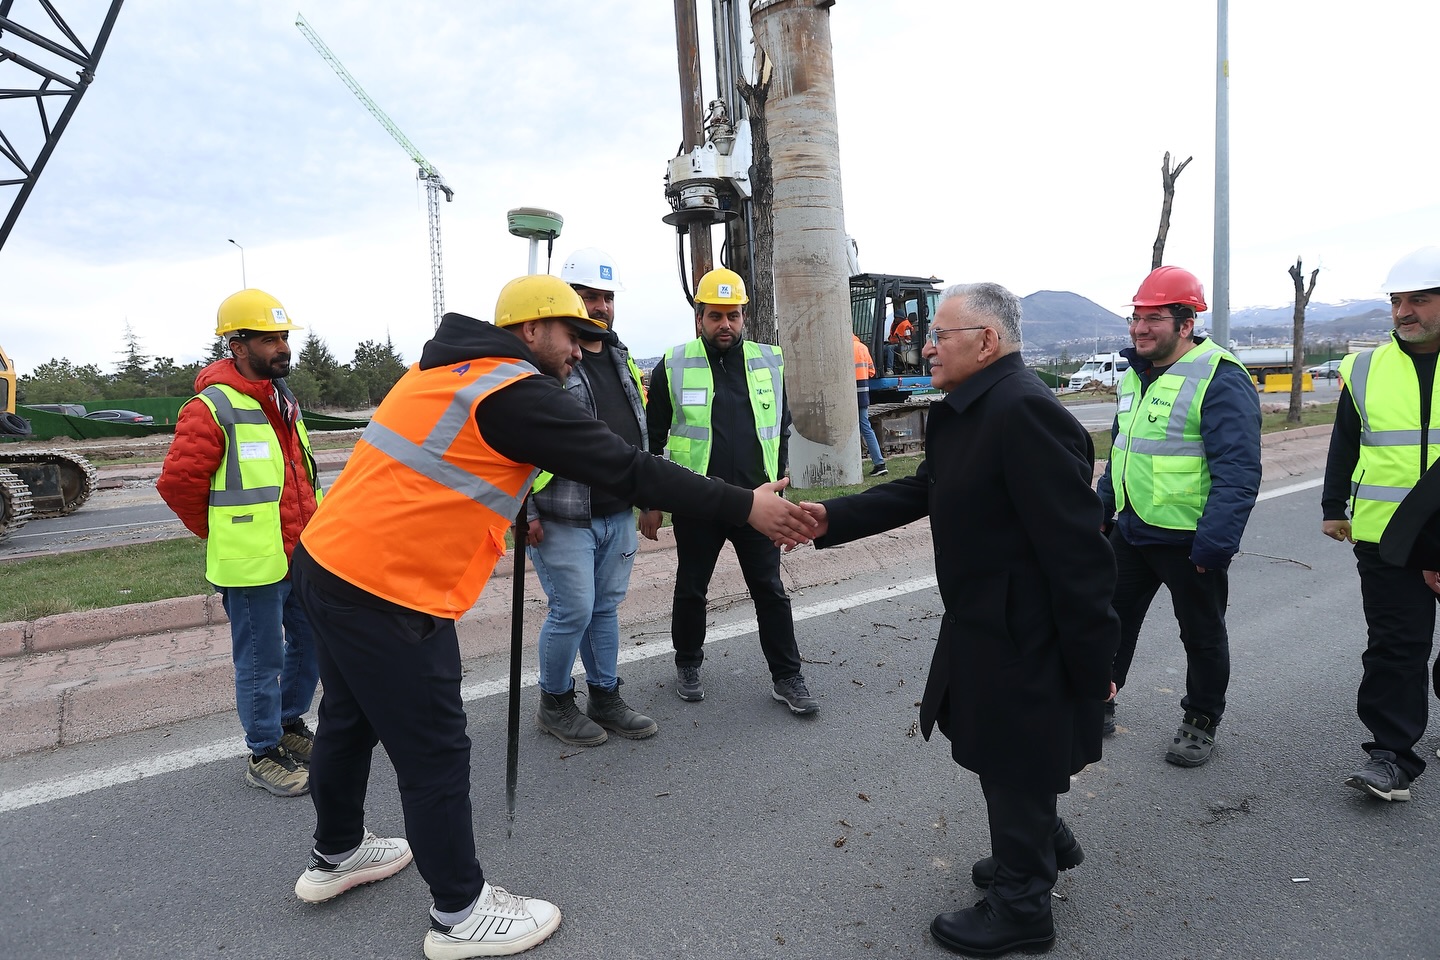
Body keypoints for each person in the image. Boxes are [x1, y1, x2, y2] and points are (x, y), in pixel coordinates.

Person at [288, 274, 816, 959]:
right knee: (435, 750)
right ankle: (459, 913)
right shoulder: (514, 392)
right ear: (531, 330)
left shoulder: (440, 369)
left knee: (349, 719)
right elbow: (627, 467)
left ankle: (337, 852)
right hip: (389, 590)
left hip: (327, 563)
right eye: (573, 335)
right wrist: (745, 505)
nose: (581, 350)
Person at [799, 283, 1119, 957]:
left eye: (940, 335)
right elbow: (927, 487)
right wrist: (832, 518)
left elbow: (1079, 554)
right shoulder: (970, 410)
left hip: (1025, 630)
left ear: (986, 341)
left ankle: (1023, 907)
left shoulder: (1025, 412)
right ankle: (1038, 843)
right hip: (985, 618)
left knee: (1013, 757)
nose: (926, 347)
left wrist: (1096, 663)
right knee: (988, 741)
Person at [157, 289, 321, 799]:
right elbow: (178, 484)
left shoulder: (283, 399)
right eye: (269, 339)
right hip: (250, 564)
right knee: (260, 661)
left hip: (300, 552)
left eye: (284, 336)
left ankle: (289, 723)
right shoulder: (211, 407)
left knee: (312, 643)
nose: (282, 347)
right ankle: (264, 751)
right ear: (238, 345)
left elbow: (300, 477)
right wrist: (225, 533)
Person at [1097, 265, 1261, 766]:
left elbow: (1237, 469)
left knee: (1202, 634)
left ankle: (1200, 720)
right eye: (1136, 317)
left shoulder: (1220, 376)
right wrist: (1102, 509)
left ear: (1186, 324)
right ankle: (1098, 698)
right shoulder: (1135, 373)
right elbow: (1123, 450)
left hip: (1189, 538)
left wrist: (1216, 543)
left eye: (1153, 319)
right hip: (1131, 529)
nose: (1139, 328)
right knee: (1107, 621)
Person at [642, 267, 818, 715]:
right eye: (716, 316)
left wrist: (781, 486)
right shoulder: (673, 364)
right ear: (699, 317)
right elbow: (652, 439)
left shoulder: (770, 361)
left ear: (744, 317)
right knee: (691, 587)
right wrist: (650, 502)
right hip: (697, 500)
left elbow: (781, 427)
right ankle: (687, 663)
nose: (726, 324)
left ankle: (787, 677)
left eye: (733, 316)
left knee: (770, 590)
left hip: (758, 503)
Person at [524, 248, 657, 746]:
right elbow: (519, 441)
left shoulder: (620, 354)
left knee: (604, 609)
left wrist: (649, 496)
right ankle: (555, 703)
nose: (600, 306)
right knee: (573, 610)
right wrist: (525, 509)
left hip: (616, 509)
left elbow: (639, 429)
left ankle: (605, 696)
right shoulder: (548, 360)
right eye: (588, 296)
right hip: (561, 514)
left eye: (607, 297)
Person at [1322, 245, 1440, 802]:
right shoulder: (1365, 367)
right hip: (1387, 536)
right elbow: (1345, 440)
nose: (1403, 312)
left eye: (1419, 299)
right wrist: (1333, 506)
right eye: (1396, 301)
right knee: (1394, 648)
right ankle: (1391, 758)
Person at [852, 332, 887, 476]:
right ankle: (879, 463)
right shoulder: (862, 347)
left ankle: (850, 465)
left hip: (847, 393)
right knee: (866, 427)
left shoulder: (842, 347)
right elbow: (871, 372)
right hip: (862, 392)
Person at [884, 310, 915, 375]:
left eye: (896, 317)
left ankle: (890, 369)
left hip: (904, 345)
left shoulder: (906, 326)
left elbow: (908, 339)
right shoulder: (896, 324)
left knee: (890, 348)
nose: (895, 319)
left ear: (900, 318)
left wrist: (900, 341)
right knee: (882, 348)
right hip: (894, 343)